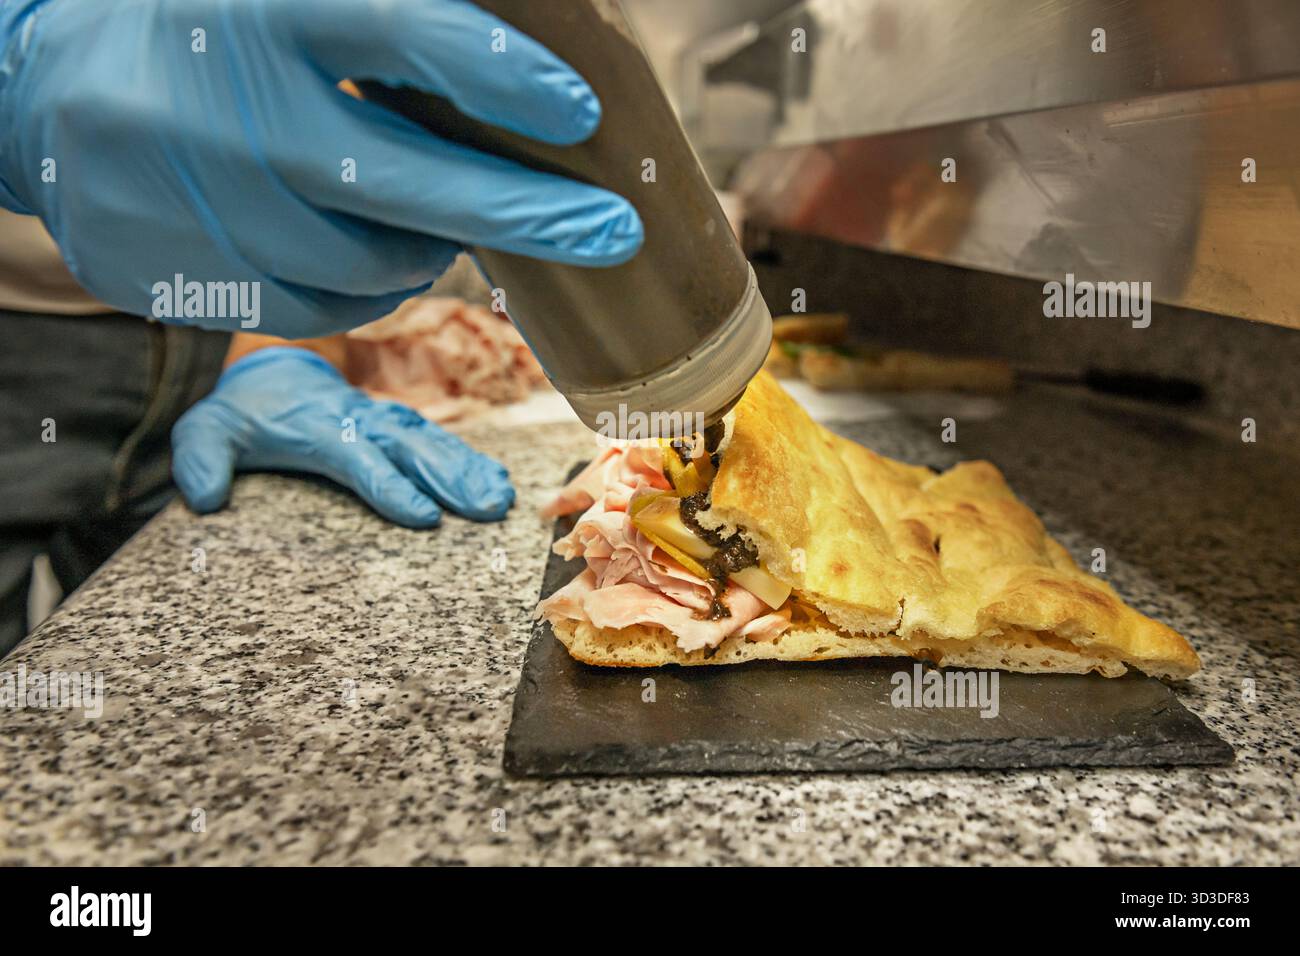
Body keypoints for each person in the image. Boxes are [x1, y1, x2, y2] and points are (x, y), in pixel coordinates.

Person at [0, 0, 644, 656]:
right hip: (16, 336)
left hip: (215, 334)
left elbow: (297, 97)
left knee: (161, 660)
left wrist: (278, 351)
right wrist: (17, 74)